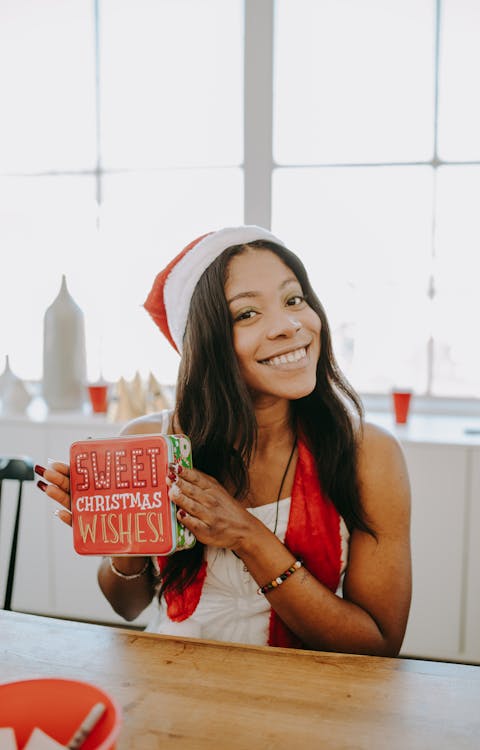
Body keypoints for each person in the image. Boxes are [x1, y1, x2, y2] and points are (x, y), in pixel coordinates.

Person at [36, 225, 411, 654]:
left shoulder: (370, 453)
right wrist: (125, 536)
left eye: (294, 300)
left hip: (308, 699)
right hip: (170, 682)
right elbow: (128, 608)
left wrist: (247, 535)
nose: (289, 326)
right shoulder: (149, 441)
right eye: (247, 314)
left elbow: (378, 646)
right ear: (205, 342)